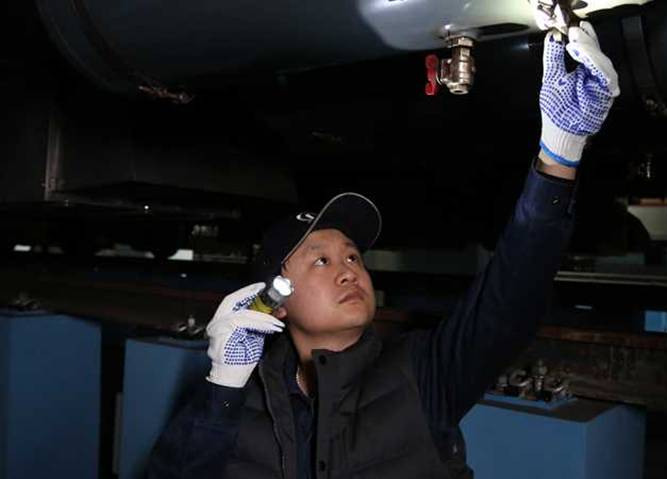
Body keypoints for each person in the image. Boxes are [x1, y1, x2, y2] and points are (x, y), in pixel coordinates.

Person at [148, 21, 619, 479]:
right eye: (321, 260)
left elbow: (508, 300)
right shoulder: (238, 399)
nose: (348, 271)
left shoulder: (422, 373)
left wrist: (560, 153)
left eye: (353, 256)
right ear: (275, 301)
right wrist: (223, 387)